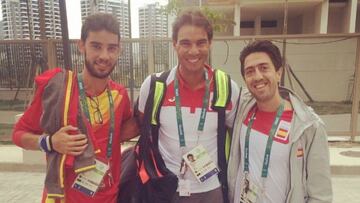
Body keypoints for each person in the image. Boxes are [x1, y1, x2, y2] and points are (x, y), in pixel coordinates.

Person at [12, 13, 138, 203]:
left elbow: (125, 129)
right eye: (96, 46)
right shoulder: (58, 87)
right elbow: (19, 134)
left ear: (119, 50)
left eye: (111, 48)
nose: (104, 56)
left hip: (107, 196)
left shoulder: (120, 96)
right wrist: (50, 142)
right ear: (81, 46)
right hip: (63, 197)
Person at [137, 9, 239, 203]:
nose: (194, 51)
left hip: (212, 190)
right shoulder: (154, 85)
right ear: (174, 44)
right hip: (166, 188)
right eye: (185, 43)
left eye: (201, 43)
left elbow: (237, 137)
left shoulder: (226, 87)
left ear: (210, 43)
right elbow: (142, 129)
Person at [227, 40, 332, 203]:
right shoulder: (243, 109)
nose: (257, 76)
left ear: (278, 73)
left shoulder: (308, 126)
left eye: (264, 68)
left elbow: (321, 195)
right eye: (249, 71)